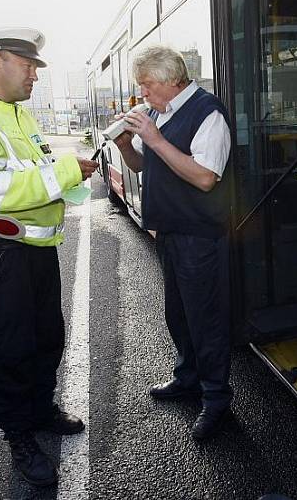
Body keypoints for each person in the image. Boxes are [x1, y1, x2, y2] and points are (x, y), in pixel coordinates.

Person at [0, 27, 98, 486]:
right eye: (27, 66)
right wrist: (67, 169)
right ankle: (18, 434)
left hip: (38, 249)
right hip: (3, 253)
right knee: (14, 346)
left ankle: (40, 407)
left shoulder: (16, 113)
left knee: (48, 334)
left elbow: (38, 170)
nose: (34, 77)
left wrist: (69, 175)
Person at [113, 45, 233, 440]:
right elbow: (144, 165)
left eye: (146, 85)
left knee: (206, 321)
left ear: (168, 80)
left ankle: (216, 399)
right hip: (170, 233)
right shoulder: (160, 113)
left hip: (200, 237)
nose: (143, 94)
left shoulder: (207, 112)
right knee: (178, 315)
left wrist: (155, 138)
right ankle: (188, 379)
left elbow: (204, 177)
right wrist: (127, 145)